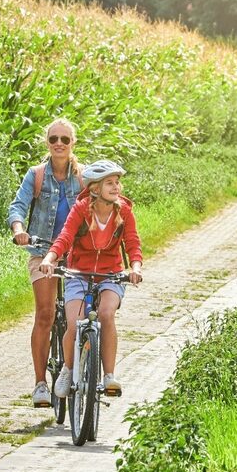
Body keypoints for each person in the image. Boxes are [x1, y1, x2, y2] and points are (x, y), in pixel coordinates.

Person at [38, 160, 143, 398]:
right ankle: (67, 368)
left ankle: (108, 376)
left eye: (117, 182)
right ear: (95, 188)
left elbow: (133, 243)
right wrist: (50, 258)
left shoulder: (124, 211)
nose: (116, 187)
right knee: (75, 323)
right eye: (109, 183)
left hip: (110, 275)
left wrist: (135, 267)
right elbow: (65, 237)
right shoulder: (81, 209)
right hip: (79, 273)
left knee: (106, 314)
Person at [7, 119, 88, 407]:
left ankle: (74, 370)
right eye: (54, 138)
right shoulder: (37, 174)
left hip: (77, 252)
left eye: (65, 139)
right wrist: (18, 229)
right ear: (47, 142)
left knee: (81, 317)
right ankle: (40, 383)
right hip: (42, 250)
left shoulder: (83, 177)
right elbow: (18, 205)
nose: (59, 144)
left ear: (73, 143)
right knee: (44, 314)